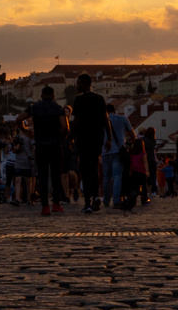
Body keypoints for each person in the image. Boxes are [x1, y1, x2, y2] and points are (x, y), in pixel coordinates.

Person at [27, 86, 67, 215]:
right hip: (55, 145)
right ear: (53, 95)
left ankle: (45, 206)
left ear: (42, 95)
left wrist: (27, 132)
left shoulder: (34, 108)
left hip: (40, 145)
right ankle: (56, 204)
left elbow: (18, 119)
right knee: (56, 176)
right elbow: (65, 127)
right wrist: (62, 137)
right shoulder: (59, 109)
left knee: (43, 176)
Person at [70, 73, 107, 212]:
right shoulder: (100, 99)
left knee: (85, 171)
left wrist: (70, 137)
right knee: (95, 168)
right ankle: (96, 196)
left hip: (84, 138)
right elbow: (105, 119)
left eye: (78, 83)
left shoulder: (79, 100)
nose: (77, 86)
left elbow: (77, 121)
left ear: (85, 84)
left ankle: (87, 202)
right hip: (97, 138)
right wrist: (109, 137)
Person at [101, 103, 132, 209]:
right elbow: (132, 134)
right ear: (114, 110)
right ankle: (116, 200)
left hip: (105, 151)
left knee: (106, 177)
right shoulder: (122, 118)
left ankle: (105, 199)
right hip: (118, 151)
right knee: (117, 176)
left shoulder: (101, 120)